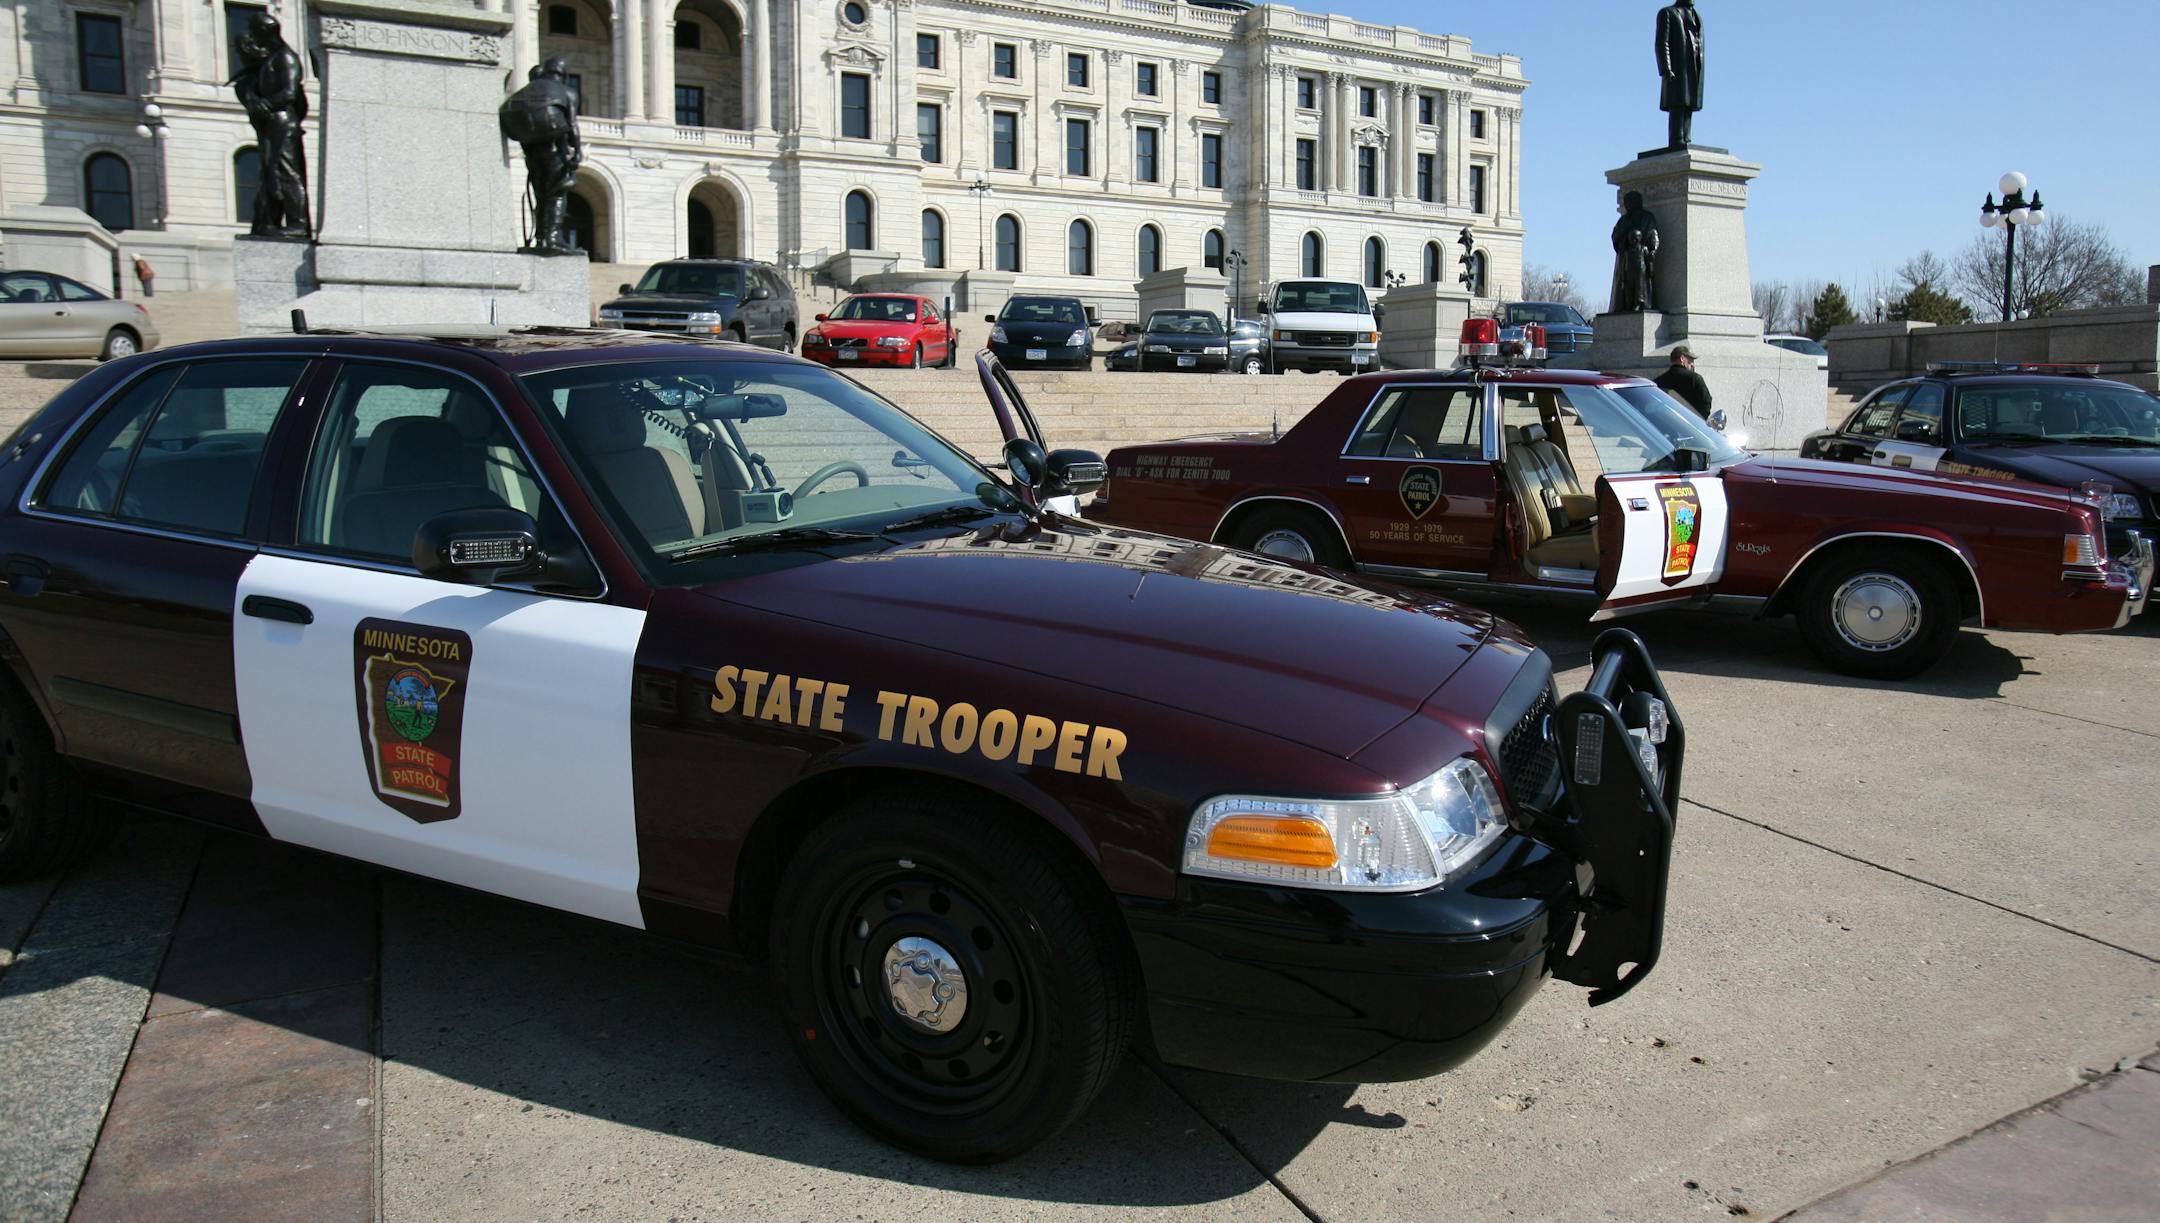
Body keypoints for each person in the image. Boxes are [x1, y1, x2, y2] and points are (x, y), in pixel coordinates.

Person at [231, 13, 311, 239]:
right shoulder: (271, 59)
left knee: (287, 172)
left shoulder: (286, 57)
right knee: (270, 174)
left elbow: (290, 92)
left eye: (255, 32)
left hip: (283, 122)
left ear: (264, 32)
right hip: (272, 122)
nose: (253, 37)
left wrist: (264, 104)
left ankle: (298, 223)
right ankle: (267, 223)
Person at [1655, 0, 1705, 151]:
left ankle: (1686, 137)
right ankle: (1677, 138)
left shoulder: (1697, 16)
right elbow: (1662, 43)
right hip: (1677, 66)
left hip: (1694, 66)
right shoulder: (1667, 13)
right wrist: (1666, 68)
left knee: (1690, 101)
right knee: (1677, 101)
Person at [1656, 346, 1713, 419]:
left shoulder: (1658, 381)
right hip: (1690, 423)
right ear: (1682, 358)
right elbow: (1706, 402)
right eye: (1691, 360)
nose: (1692, 364)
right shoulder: (1695, 378)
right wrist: (1698, 420)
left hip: (1666, 422)